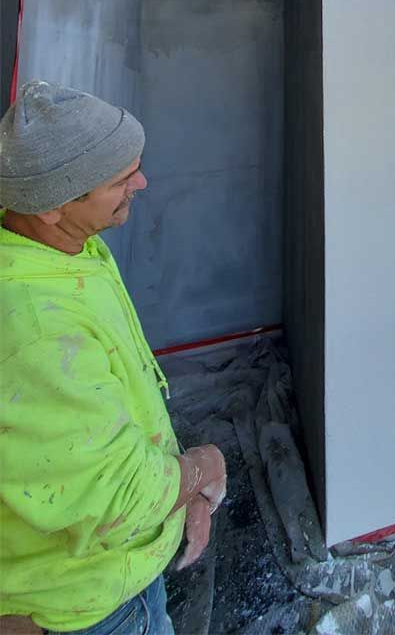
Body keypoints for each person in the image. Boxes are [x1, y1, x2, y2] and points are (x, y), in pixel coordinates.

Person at [0, 81, 227, 635]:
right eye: (121, 179)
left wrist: (178, 497)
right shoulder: (37, 333)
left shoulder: (59, 247)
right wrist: (201, 471)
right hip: (89, 608)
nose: (142, 183)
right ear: (54, 206)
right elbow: (118, 499)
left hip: (95, 575)